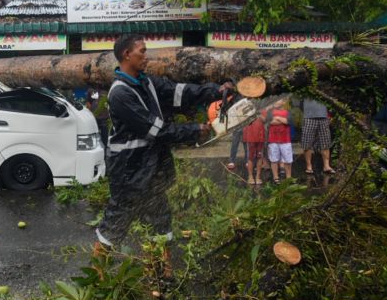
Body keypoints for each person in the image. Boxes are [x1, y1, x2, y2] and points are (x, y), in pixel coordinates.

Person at [95, 34, 232, 251]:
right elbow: (156, 131)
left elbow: (178, 92)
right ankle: (96, 276)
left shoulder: (146, 82)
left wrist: (215, 91)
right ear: (127, 54)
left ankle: (162, 274)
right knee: (116, 222)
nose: (146, 56)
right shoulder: (120, 94)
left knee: (160, 221)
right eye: (142, 51)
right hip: (129, 172)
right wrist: (194, 131)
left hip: (152, 167)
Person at [301, 98, 335, 174]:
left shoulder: (324, 88)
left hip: (324, 117)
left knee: (325, 142)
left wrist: (330, 115)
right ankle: (309, 166)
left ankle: (326, 166)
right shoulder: (306, 89)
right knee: (307, 142)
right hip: (308, 117)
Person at [267, 99, 292, 183]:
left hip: (285, 140)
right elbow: (271, 122)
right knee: (274, 159)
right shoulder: (270, 112)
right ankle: (275, 177)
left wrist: (277, 118)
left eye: (278, 100)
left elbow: (288, 121)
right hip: (273, 139)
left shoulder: (288, 112)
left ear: (283, 102)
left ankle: (289, 178)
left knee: (288, 160)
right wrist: (282, 120)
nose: (275, 102)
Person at [242, 110, 267, 185]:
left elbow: (264, 120)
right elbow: (244, 121)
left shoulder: (262, 109)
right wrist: (251, 114)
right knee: (250, 157)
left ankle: (258, 177)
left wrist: (258, 113)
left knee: (259, 157)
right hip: (250, 137)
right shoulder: (247, 108)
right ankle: (250, 176)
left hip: (260, 136)